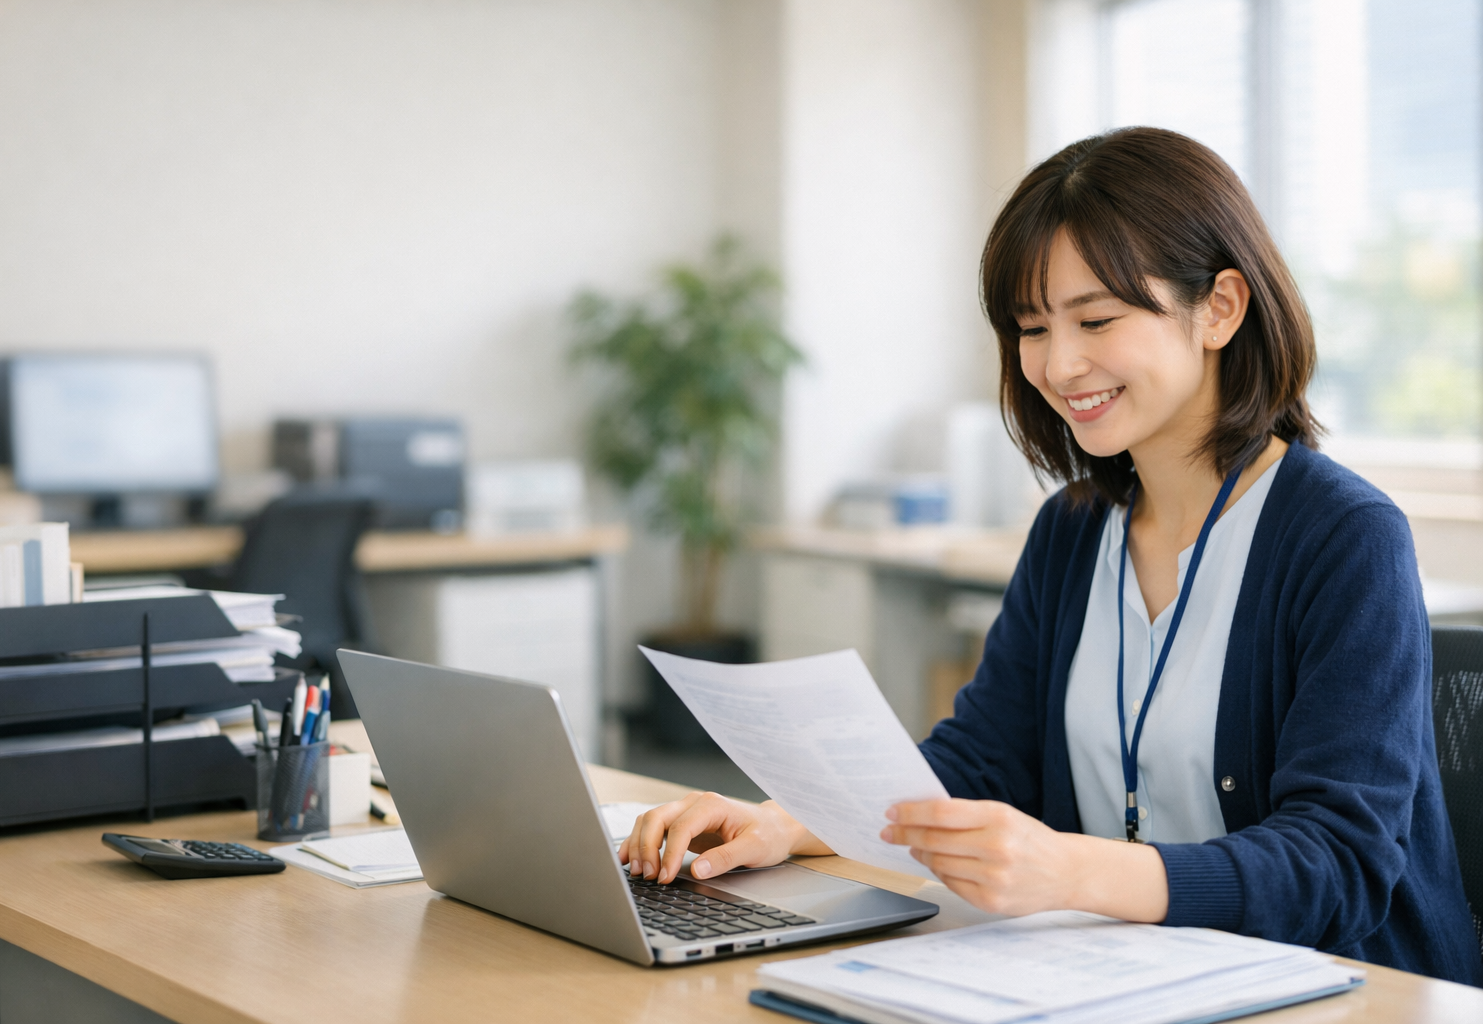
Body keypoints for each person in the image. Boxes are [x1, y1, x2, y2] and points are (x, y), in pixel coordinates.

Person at [618, 127, 1483, 985]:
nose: (1059, 364)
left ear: (1220, 308)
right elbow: (984, 760)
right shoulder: (1073, 528)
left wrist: (1072, 871)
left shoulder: (1345, 537)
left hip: (1339, 987)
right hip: (1127, 976)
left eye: (1096, 319)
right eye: (1032, 328)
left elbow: (1338, 865)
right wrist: (790, 821)